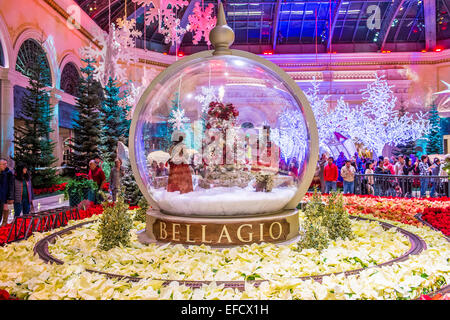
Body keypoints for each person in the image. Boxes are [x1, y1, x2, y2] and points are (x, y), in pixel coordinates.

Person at [0, 158, 14, 227]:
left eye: (6, 164)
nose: (6, 165)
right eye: (4, 164)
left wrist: (10, 197)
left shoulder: (8, 173)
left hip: (4, 197)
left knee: (5, 210)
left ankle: (4, 224)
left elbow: (10, 186)